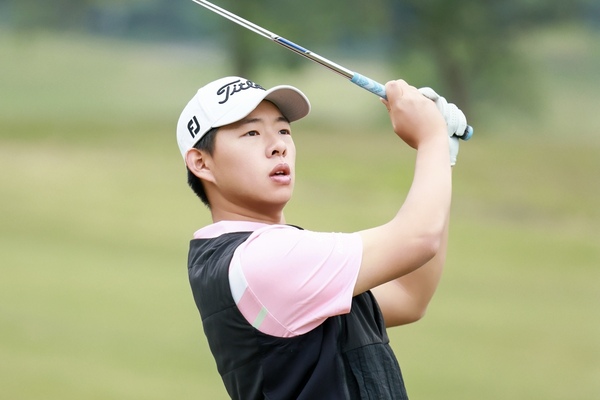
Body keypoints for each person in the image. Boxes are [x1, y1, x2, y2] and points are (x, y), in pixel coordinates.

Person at [176, 76, 467, 399]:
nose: (278, 145)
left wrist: (442, 155)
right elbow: (417, 239)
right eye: (252, 133)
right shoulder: (261, 259)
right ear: (201, 163)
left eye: (283, 130)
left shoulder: (245, 258)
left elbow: (408, 296)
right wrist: (432, 138)